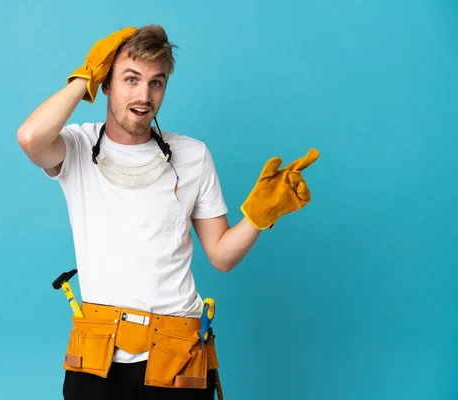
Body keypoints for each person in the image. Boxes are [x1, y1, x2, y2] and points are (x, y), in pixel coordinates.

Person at [17, 24, 319, 400]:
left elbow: (221, 255)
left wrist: (259, 217)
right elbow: (30, 138)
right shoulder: (77, 146)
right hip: (97, 358)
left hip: (176, 358)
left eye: (156, 82)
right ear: (106, 84)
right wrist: (85, 77)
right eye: (130, 79)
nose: (144, 95)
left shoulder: (193, 155)